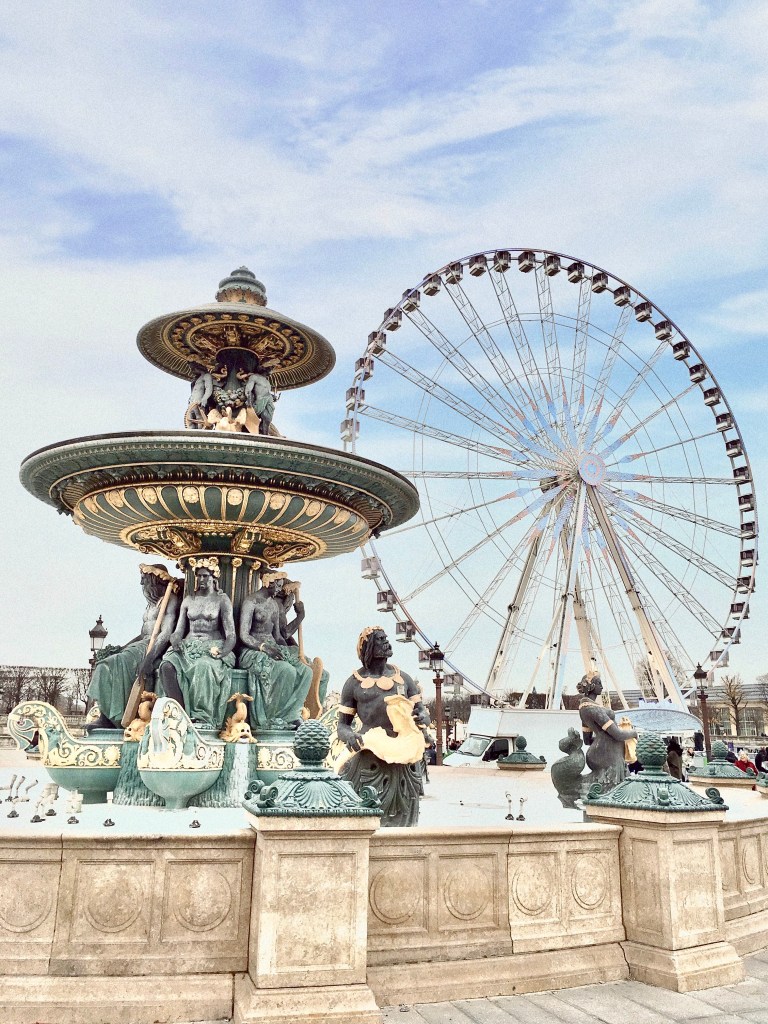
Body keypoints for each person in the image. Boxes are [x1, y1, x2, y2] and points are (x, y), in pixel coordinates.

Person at [337, 626, 429, 827]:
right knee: (365, 817)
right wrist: (349, 736)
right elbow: (342, 726)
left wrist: (421, 717)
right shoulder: (353, 683)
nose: (387, 642)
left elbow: (422, 712)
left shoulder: (403, 678)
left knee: (405, 818)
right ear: (367, 647)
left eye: (386, 638)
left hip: (403, 756)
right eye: (380, 639)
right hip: (369, 755)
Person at [87, 564, 181, 729]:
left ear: (154, 581)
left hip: (151, 647)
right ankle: (106, 715)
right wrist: (122, 647)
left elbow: (165, 634)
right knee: (104, 665)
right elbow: (142, 633)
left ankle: (112, 715)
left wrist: (150, 657)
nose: (141, 584)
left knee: (111, 665)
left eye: (144, 580)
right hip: (140, 644)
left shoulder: (169, 600)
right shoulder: (150, 604)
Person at [159, 558, 235, 729]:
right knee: (166, 666)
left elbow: (231, 635)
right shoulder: (188, 600)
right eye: (198, 576)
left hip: (212, 645)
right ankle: (180, 713)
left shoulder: (221, 600)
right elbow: (179, 630)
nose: (201, 580)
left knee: (203, 668)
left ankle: (202, 716)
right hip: (188, 644)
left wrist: (224, 651)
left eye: (204, 576)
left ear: (213, 578)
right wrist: (175, 639)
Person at [238, 572, 314, 729]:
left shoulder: (274, 605)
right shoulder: (251, 602)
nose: (280, 589)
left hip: (274, 647)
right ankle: (274, 716)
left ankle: (291, 714)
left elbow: (279, 636)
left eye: (280, 584)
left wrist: (292, 651)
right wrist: (264, 647)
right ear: (267, 583)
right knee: (287, 670)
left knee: (306, 672)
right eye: (277, 584)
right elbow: (243, 635)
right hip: (254, 649)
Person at [577, 672, 637, 793]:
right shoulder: (593, 709)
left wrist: (601, 739)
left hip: (598, 752)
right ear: (592, 686)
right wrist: (633, 733)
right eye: (599, 683)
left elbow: (587, 740)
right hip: (609, 755)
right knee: (617, 791)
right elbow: (618, 735)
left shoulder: (584, 708)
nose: (602, 687)